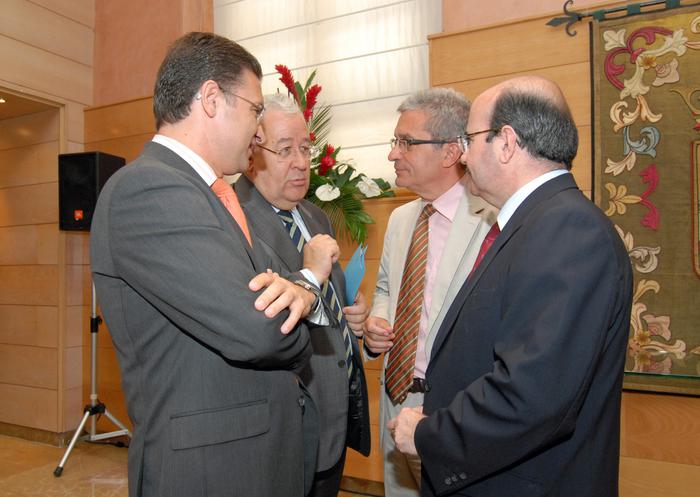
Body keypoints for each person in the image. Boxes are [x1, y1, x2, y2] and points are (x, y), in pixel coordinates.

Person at [90, 32, 326, 497]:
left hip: (249, 460)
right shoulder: (149, 189)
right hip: (211, 472)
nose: (259, 132)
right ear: (212, 99)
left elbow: (275, 296)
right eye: (256, 110)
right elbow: (261, 330)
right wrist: (300, 308)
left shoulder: (211, 193)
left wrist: (299, 293)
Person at [389, 76, 634, 497]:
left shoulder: (568, 230)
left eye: (469, 139)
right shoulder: (536, 222)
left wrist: (430, 435)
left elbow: (532, 393)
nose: (463, 155)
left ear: (505, 142)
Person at [234, 93, 371, 497]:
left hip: (334, 413)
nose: (300, 162)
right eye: (285, 150)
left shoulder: (314, 215)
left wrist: (352, 314)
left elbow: (329, 296)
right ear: (252, 152)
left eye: (306, 149)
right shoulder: (231, 216)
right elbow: (253, 319)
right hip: (287, 426)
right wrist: (307, 275)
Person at [364, 88, 497, 497]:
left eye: (406, 142)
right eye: (395, 141)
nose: (393, 154)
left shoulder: (491, 221)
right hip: (395, 400)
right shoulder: (401, 219)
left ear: (451, 151)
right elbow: (387, 286)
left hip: (453, 410)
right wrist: (377, 322)